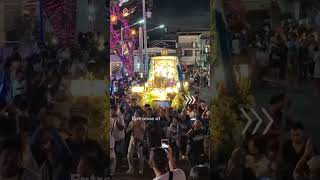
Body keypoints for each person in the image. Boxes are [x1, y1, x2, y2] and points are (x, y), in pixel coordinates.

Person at [126, 110, 146, 175]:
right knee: (129, 155)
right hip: (132, 140)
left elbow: (143, 132)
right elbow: (126, 131)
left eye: (137, 115)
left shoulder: (142, 122)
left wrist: (139, 125)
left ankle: (141, 169)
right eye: (135, 115)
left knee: (140, 156)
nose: (136, 116)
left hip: (139, 140)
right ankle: (131, 168)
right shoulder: (132, 122)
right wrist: (131, 127)